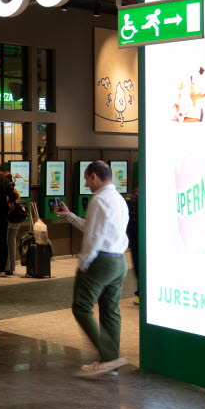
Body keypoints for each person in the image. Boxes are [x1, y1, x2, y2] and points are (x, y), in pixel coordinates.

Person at [55, 161, 131, 378]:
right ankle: (110, 364)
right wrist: (69, 216)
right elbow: (95, 228)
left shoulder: (98, 200)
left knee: (81, 307)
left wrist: (84, 263)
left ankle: (109, 357)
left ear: (95, 176)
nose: (87, 184)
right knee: (110, 312)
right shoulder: (118, 199)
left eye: (87, 179)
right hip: (119, 261)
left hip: (101, 262)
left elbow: (94, 237)